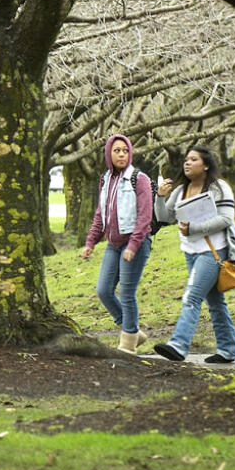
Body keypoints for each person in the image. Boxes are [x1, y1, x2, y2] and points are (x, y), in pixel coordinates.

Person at [152, 145, 235, 364]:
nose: (187, 163)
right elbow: (164, 218)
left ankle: (179, 345)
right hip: (190, 252)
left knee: (191, 297)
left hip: (213, 252)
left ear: (206, 165)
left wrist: (194, 229)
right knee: (216, 303)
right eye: (186, 160)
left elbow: (226, 219)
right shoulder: (181, 189)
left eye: (193, 159)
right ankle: (228, 349)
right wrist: (160, 197)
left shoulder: (219, 188)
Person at [80, 134, 154, 354]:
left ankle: (128, 345)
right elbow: (100, 214)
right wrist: (91, 242)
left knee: (127, 292)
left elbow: (144, 216)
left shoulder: (139, 179)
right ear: (108, 154)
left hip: (136, 244)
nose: (122, 154)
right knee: (103, 290)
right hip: (113, 245)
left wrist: (133, 246)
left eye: (125, 151)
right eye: (117, 151)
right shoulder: (106, 179)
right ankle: (132, 330)